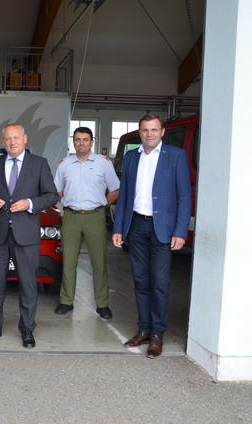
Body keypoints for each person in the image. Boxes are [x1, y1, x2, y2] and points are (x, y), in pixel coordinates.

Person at [112, 113, 191, 358]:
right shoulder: (131, 158)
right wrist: (118, 228)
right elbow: (124, 196)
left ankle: (157, 334)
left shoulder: (175, 157)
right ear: (140, 133)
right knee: (140, 281)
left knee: (159, 283)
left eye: (154, 130)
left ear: (162, 132)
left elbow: (184, 196)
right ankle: (144, 329)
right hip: (136, 226)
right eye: (145, 130)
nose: (149, 134)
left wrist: (180, 231)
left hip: (162, 229)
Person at [0, 123, 59, 348]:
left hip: (26, 235)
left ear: (24, 139)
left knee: (28, 285)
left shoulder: (39, 164)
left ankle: (27, 329)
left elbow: (52, 195)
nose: (12, 142)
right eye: (8, 139)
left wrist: (30, 203)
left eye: (16, 138)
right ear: (3, 142)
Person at [53, 127, 120, 318]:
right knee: (68, 261)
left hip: (95, 217)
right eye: (77, 139)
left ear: (92, 142)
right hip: (71, 217)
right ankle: (66, 301)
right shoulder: (65, 164)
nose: (81, 143)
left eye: (85, 139)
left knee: (99, 262)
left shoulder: (103, 164)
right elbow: (57, 190)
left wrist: (103, 205)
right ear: (72, 142)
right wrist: (65, 203)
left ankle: (102, 304)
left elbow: (115, 189)